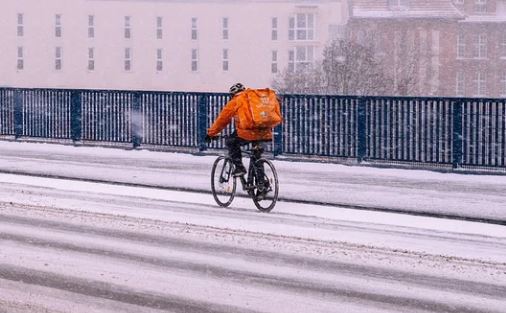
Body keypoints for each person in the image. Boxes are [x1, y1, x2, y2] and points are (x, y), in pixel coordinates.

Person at [205, 83, 281, 179]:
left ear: (232, 94)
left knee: (231, 141)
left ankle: (239, 168)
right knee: (257, 156)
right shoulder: (254, 99)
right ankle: (262, 186)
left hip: (248, 133)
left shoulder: (236, 100)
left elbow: (223, 119)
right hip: (265, 133)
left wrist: (211, 133)